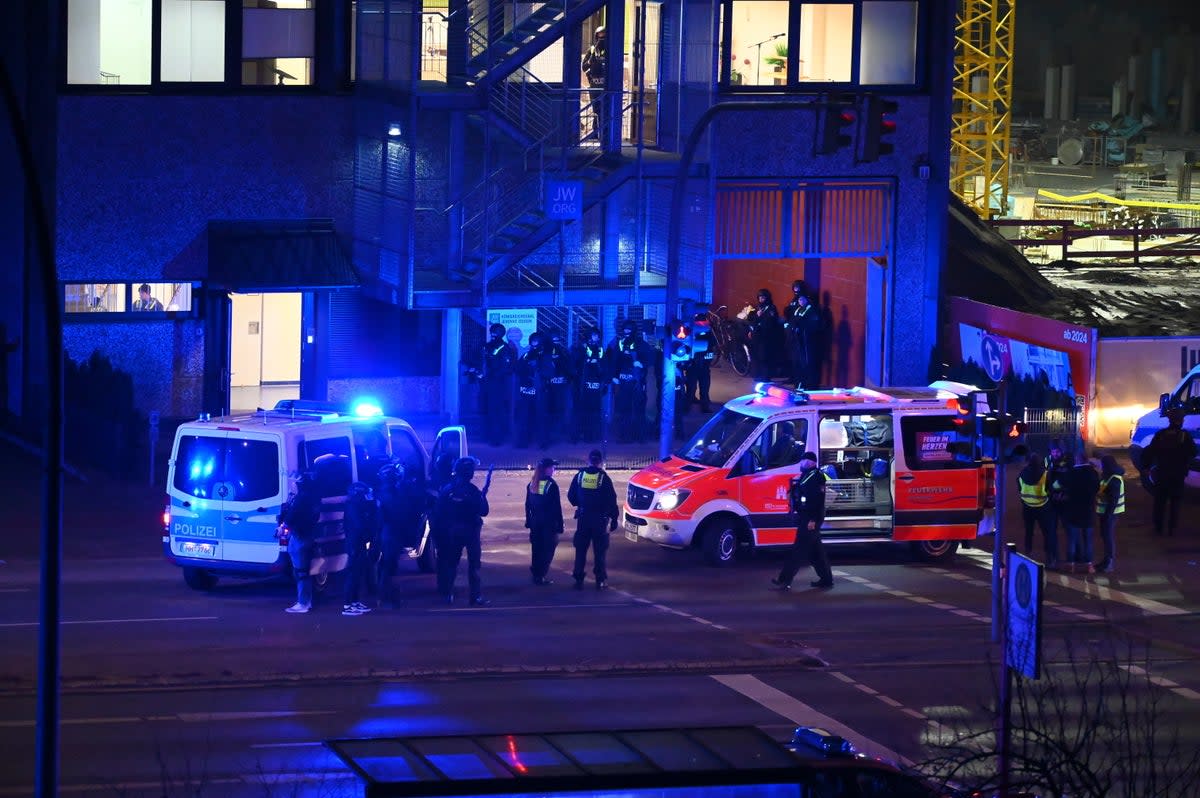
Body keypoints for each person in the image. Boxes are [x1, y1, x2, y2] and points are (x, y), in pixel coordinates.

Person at [433, 457, 491, 606]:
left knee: (451, 564)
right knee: (474, 565)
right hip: (471, 532)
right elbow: (484, 511)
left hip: (452, 532)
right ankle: (475, 596)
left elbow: (439, 511)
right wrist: (482, 497)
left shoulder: (447, 489)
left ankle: (448, 595)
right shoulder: (472, 491)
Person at [771, 451, 833, 589]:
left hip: (810, 518)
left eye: (804, 460)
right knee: (816, 552)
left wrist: (813, 520)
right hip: (807, 516)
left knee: (798, 550)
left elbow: (817, 501)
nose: (801, 463)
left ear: (811, 462)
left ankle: (784, 580)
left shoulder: (816, 477)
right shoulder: (808, 475)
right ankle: (827, 580)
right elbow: (801, 490)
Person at [376, 463, 429, 608]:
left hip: (386, 534)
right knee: (389, 567)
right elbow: (405, 512)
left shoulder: (380, 493)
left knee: (386, 566)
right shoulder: (394, 495)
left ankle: (387, 597)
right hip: (392, 534)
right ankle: (386, 599)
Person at [567, 449, 619, 590]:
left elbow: (571, 496)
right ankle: (600, 580)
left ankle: (578, 579)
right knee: (600, 551)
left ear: (588, 460)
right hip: (600, 520)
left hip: (583, 518)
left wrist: (581, 504)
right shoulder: (603, 478)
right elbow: (612, 500)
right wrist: (614, 519)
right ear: (600, 462)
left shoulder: (580, 476)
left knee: (581, 550)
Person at [1142, 408, 1196, 536]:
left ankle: (1158, 528)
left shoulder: (1161, 434)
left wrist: (1146, 467)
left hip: (1162, 473)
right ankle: (1172, 529)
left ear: (1170, 420)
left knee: (1159, 502)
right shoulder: (1184, 435)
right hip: (1178, 475)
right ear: (1180, 421)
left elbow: (1149, 452)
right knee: (1175, 503)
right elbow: (1193, 452)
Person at [281, 471, 321, 613]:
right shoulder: (313, 496)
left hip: (300, 535)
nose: (292, 484)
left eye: (294, 482)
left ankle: (303, 603)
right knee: (302, 570)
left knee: (301, 571)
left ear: (299, 483)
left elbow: (292, 515)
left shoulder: (302, 498)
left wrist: (283, 525)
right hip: (306, 534)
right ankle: (305, 601)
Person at [608, 320, 650, 443]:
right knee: (623, 410)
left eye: (629, 329)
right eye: (625, 329)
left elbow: (649, 359)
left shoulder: (641, 344)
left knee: (638, 410)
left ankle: (640, 436)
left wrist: (641, 364)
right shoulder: (619, 343)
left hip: (637, 382)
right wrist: (614, 376)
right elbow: (613, 360)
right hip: (623, 382)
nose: (626, 332)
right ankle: (623, 437)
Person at [341, 481, 379, 616]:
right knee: (352, 573)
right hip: (354, 543)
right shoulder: (353, 506)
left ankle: (355, 601)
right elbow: (360, 524)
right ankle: (347, 605)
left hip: (358, 542)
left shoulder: (358, 505)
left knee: (358, 573)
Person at [1060, 449, 1100, 574]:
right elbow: (1097, 488)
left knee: (1072, 539)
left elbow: (1060, 486)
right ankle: (1089, 566)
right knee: (1088, 539)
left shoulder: (1071, 473)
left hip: (1073, 511)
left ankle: (1071, 564)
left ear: (1077, 461)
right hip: (1088, 511)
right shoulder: (1093, 473)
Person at [525, 457, 564, 585]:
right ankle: (541, 574)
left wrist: (528, 520)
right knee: (548, 548)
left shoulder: (532, 483)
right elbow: (556, 507)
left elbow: (527, 504)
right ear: (546, 469)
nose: (554, 469)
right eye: (552, 467)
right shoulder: (551, 485)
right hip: (548, 523)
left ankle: (536, 573)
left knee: (537, 548)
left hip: (535, 522)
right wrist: (560, 525)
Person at [1016, 451, 1055, 566]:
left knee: (1029, 532)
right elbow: (1050, 490)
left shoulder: (1022, 473)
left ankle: (1028, 553)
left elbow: (1019, 488)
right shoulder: (1045, 474)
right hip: (1043, 507)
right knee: (1047, 533)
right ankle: (1049, 557)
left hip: (1027, 507)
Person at [515, 331, 552, 448]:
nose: (533, 344)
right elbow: (518, 369)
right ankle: (523, 441)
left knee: (541, 417)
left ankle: (542, 443)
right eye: (532, 341)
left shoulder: (546, 356)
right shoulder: (526, 355)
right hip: (526, 390)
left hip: (540, 391)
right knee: (524, 416)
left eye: (535, 341)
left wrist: (538, 368)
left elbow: (550, 372)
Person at [482, 323, 516, 446]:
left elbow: (507, 368)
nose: (492, 334)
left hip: (499, 384)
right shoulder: (488, 346)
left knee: (497, 410)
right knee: (489, 410)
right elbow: (484, 361)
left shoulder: (505, 348)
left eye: (495, 332)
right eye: (492, 332)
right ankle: (489, 435)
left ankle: (497, 438)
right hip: (488, 383)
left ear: (500, 333)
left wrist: (493, 375)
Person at [572, 327, 608, 443]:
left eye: (598, 335)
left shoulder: (600, 349)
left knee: (595, 411)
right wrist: (587, 361)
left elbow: (603, 366)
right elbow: (576, 365)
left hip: (596, 385)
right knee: (583, 411)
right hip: (583, 386)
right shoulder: (580, 348)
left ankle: (593, 435)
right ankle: (581, 435)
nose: (597, 337)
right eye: (595, 335)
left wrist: (604, 383)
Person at [783, 284, 821, 389]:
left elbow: (811, 325)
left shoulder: (811, 311)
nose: (800, 302)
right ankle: (798, 382)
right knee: (797, 362)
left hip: (806, 343)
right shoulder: (798, 310)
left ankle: (809, 384)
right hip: (796, 342)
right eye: (799, 300)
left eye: (802, 299)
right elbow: (793, 321)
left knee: (807, 363)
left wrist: (799, 326)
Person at [1094, 454, 1126, 573]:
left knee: (1108, 537)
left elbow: (1113, 501)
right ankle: (1106, 561)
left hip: (1110, 514)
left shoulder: (1114, 480)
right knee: (1105, 536)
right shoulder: (1108, 476)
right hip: (1105, 513)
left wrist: (1107, 516)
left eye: (1102, 465)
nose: (1101, 467)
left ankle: (1109, 563)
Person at [546, 332, 574, 445]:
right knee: (550, 410)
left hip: (562, 387)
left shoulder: (564, 352)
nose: (556, 342)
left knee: (561, 410)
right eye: (554, 340)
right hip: (549, 388)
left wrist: (567, 378)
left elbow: (569, 368)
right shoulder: (545, 352)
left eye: (557, 340)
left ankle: (559, 434)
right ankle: (551, 435)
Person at [581, 25, 608, 141]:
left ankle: (605, 133)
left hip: (606, 85)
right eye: (599, 36)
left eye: (604, 36)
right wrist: (592, 59)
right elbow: (584, 66)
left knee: (605, 109)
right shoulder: (591, 50)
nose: (601, 39)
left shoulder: (610, 50)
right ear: (596, 36)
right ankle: (595, 132)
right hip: (594, 85)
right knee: (596, 109)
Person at [685, 312, 714, 414]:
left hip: (699, 364)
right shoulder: (701, 330)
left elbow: (711, 345)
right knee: (697, 386)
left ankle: (696, 405)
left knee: (699, 386)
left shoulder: (705, 330)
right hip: (697, 364)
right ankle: (695, 404)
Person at [749, 288, 781, 381]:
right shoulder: (759, 307)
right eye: (759, 297)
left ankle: (765, 376)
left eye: (763, 297)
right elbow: (754, 320)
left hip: (766, 336)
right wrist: (752, 330)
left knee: (764, 356)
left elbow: (771, 321)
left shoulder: (771, 308)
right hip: (757, 335)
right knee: (757, 355)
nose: (761, 299)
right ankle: (758, 374)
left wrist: (761, 317)